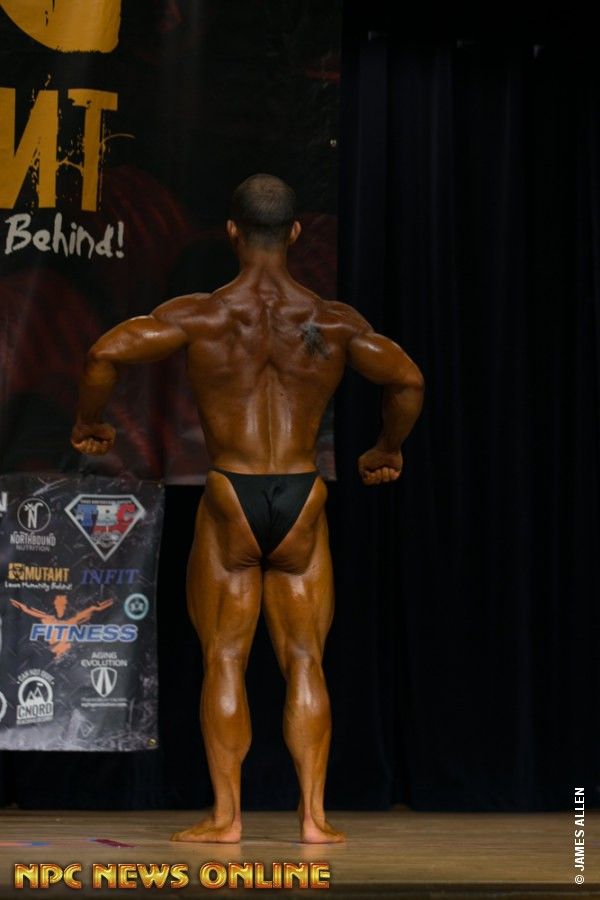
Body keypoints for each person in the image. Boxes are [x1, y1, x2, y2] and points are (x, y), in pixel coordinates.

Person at [71, 173, 424, 843]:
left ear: (231, 232)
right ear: (295, 233)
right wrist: (387, 449)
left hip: (231, 494)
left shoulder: (201, 314)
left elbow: (103, 353)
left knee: (225, 658)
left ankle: (227, 818)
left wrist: (90, 422)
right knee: (305, 659)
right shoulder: (333, 321)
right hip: (302, 496)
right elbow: (407, 378)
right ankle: (314, 819)